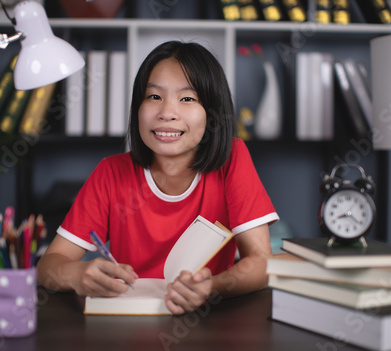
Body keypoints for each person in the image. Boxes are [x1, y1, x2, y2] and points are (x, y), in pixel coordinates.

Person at [37, 40, 279, 315]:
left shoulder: (231, 160)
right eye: (154, 97)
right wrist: (78, 275)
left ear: (213, 115)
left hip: (205, 325)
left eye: (187, 99)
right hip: (127, 323)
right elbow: (48, 266)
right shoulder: (111, 172)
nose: (167, 113)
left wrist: (210, 287)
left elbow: (261, 263)